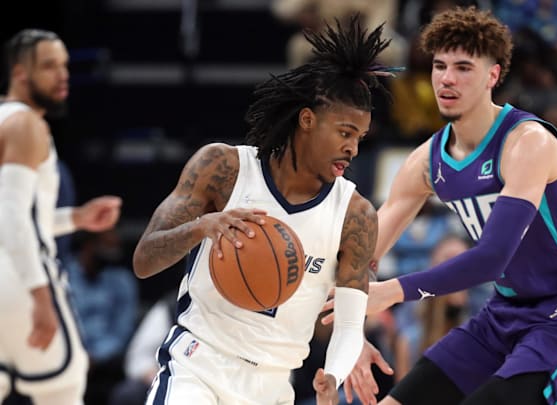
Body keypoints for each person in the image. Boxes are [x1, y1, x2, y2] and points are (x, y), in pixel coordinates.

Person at [324, 7, 557, 405]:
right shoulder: (426, 161)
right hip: (505, 312)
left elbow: (492, 258)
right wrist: (351, 333)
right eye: (439, 66)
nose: (447, 78)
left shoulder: (528, 143)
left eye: (463, 67)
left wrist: (392, 291)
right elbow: (362, 256)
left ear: (493, 76)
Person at [132, 17, 393, 405]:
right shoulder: (223, 168)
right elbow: (144, 260)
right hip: (197, 365)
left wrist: (333, 377)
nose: (353, 149)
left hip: (272, 386)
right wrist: (202, 227)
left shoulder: (355, 214)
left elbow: (351, 323)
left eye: (359, 137)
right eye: (344, 132)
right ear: (307, 120)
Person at [0, 29, 122, 405]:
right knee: (64, 388)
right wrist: (40, 295)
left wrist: (76, 219)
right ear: (20, 73)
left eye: (65, 65)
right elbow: (11, 216)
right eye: (50, 66)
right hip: (19, 283)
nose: (63, 75)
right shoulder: (26, 125)